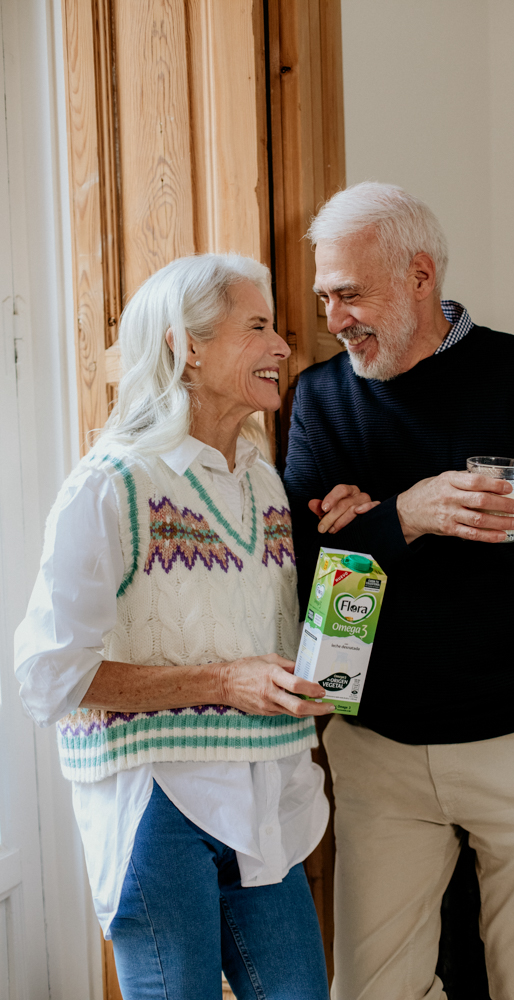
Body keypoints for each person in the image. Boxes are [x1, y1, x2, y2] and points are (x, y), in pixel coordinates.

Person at [283, 182, 514, 1000]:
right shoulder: (320, 397)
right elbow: (308, 574)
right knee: (372, 990)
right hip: (377, 753)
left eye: (349, 293)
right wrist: (404, 517)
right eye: (323, 298)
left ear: (418, 277)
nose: (333, 318)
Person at [15, 253, 370, 1000]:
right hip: (157, 809)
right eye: (259, 326)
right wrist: (222, 682)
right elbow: (48, 679)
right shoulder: (110, 485)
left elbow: (253, 628)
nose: (283, 347)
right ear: (185, 345)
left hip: (265, 794)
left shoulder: (262, 477)